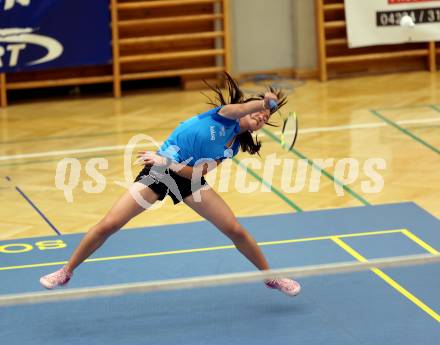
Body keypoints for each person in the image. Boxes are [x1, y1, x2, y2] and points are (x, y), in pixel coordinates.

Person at [40, 73, 301, 297]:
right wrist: (264, 102)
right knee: (110, 224)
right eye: (258, 112)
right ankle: (66, 271)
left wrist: (168, 163)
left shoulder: (231, 148)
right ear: (247, 107)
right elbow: (243, 109)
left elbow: (197, 172)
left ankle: (271, 277)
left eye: (266, 118)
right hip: (158, 171)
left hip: (181, 173)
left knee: (235, 230)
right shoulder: (224, 115)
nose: (261, 117)